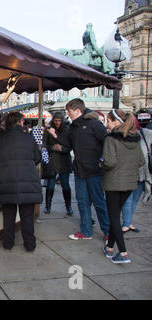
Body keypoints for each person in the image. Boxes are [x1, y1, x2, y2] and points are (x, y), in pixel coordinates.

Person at [56, 99, 110, 241]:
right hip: (80, 170)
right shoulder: (73, 126)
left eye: (70, 112)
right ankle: (86, 232)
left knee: (98, 202)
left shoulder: (95, 124)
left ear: (78, 111)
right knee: (82, 202)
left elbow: (108, 143)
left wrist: (102, 161)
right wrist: (54, 134)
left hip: (94, 172)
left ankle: (108, 231)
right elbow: (67, 144)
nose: (68, 114)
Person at [0, 112, 42, 252]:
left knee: (8, 215)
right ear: (20, 121)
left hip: (6, 179)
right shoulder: (29, 137)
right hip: (28, 180)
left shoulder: (0, 139)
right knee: (27, 216)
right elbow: (37, 158)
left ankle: (8, 244)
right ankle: (30, 245)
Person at [102, 110, 145, 264]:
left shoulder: (111, 138)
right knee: (116, 214)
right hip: (130, 182)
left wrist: (101, 163)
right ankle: (109, 248)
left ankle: (123, 252)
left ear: (115, 122)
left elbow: (110, 162)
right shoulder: (135, 139)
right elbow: (141, 161)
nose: (107, 123)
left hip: (114, 182)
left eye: (109, 120)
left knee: (113, 217)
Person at [121, 125, 152, 233]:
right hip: (130, 173)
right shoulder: (123, 135)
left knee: (133, 200)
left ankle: (128, 222)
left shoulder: (146, 134)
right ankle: (126, 223)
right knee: (128, 200)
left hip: (142, 173)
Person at [44, 111, 73, 216]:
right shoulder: (48, 130)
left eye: (59, 121)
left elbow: (70, 145)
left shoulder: (67, 130)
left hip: (64, 160)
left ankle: (68, 206)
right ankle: (48, 206)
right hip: (52, 160)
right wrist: (52, 147)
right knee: (50, 185)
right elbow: (44, 144)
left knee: (65, 185)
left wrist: (63, 148)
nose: (57, 123)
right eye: (55, 121)